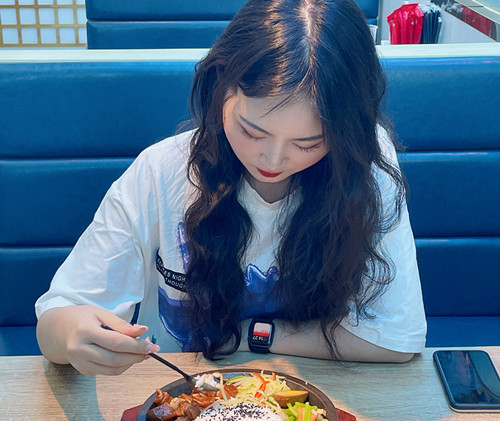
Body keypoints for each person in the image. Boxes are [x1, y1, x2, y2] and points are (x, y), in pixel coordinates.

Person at [35, 0, 427, 376]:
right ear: (220, 87)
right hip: (182, 398)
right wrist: (71, 335)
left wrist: (253, 335)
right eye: (251, 131)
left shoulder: (361, 166)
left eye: (308, 144)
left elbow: (398, 339)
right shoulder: (162, 171)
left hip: (318, 398)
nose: (273, 160)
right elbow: (56, 321)